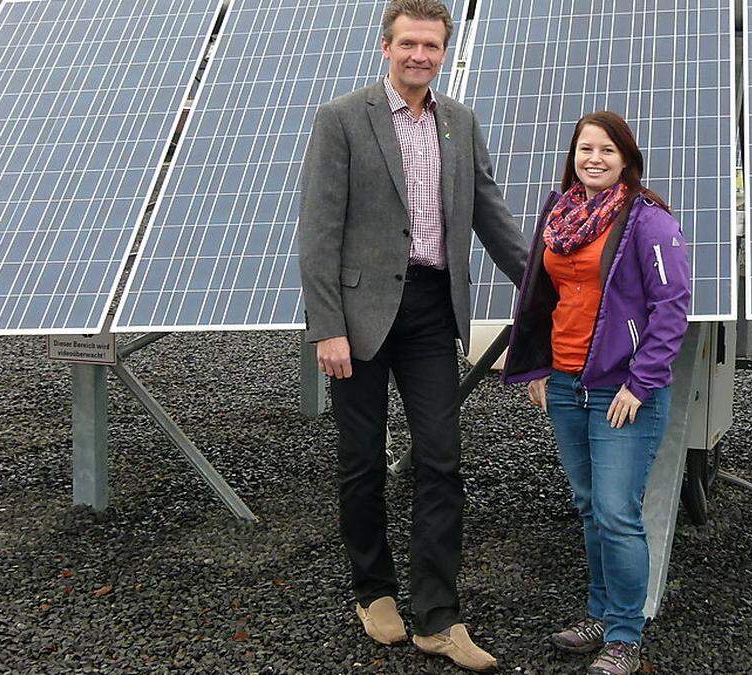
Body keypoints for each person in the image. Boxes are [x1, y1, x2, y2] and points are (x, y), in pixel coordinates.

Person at [296, 0, 527, 671]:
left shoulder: (458, 122)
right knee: (363, 460)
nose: (420, 55)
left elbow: (491, 213)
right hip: (362, 317)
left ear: (444, 51)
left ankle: (437, 615)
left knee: (441, 458)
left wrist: (546, 285)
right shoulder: (342, 119)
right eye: (409, 44)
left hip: (431, 310)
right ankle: (373, 591)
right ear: (385, 46)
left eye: (431, 45)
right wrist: (327, 326)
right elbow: (318, 231)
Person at [501, 111, 691, 675]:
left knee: (617, 510)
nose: (595, 159)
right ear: (573, 156)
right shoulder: (558, 215)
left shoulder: (648, 221)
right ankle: (600, 615)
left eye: (608, 151)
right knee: (589, 507)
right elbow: (537, 295)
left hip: (621, 391)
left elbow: (672, 306)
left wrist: (642, 380)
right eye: (586, 149)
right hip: (564, 382)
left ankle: (626, 635)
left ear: (626, 159)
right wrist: (535, 367)